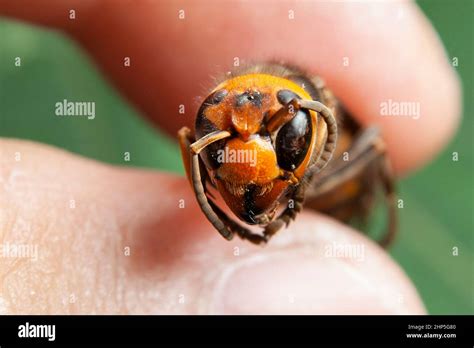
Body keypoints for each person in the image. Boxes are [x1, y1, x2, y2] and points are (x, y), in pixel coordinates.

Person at [0, 1, 460, 314]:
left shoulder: (311, 122)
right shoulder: (220, 128)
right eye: (218, 139)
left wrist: (304, 189)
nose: (245, 152)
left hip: (341, 193)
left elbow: (370, 143)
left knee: (378, 141)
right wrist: (218, 206)